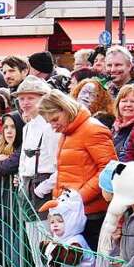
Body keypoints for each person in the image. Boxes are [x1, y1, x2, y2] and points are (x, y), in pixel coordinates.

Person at [7, 76, 60, 267]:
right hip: (27, 189)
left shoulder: (50, 127)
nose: (25, 103)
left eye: (30, 98)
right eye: (21, 98)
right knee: (37, 257)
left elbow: (58, 165)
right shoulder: (27, 127)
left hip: (41, 191)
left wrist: (42, 188)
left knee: (48, 254)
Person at [38, 90, 116, 249]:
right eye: (49, 122)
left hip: (90, 213)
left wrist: (78, 197)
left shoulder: (92, 129)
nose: (53, 126)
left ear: (65, 109)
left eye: (55, 119)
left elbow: (109, 169)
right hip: (72, 210)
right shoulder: (69, 131)